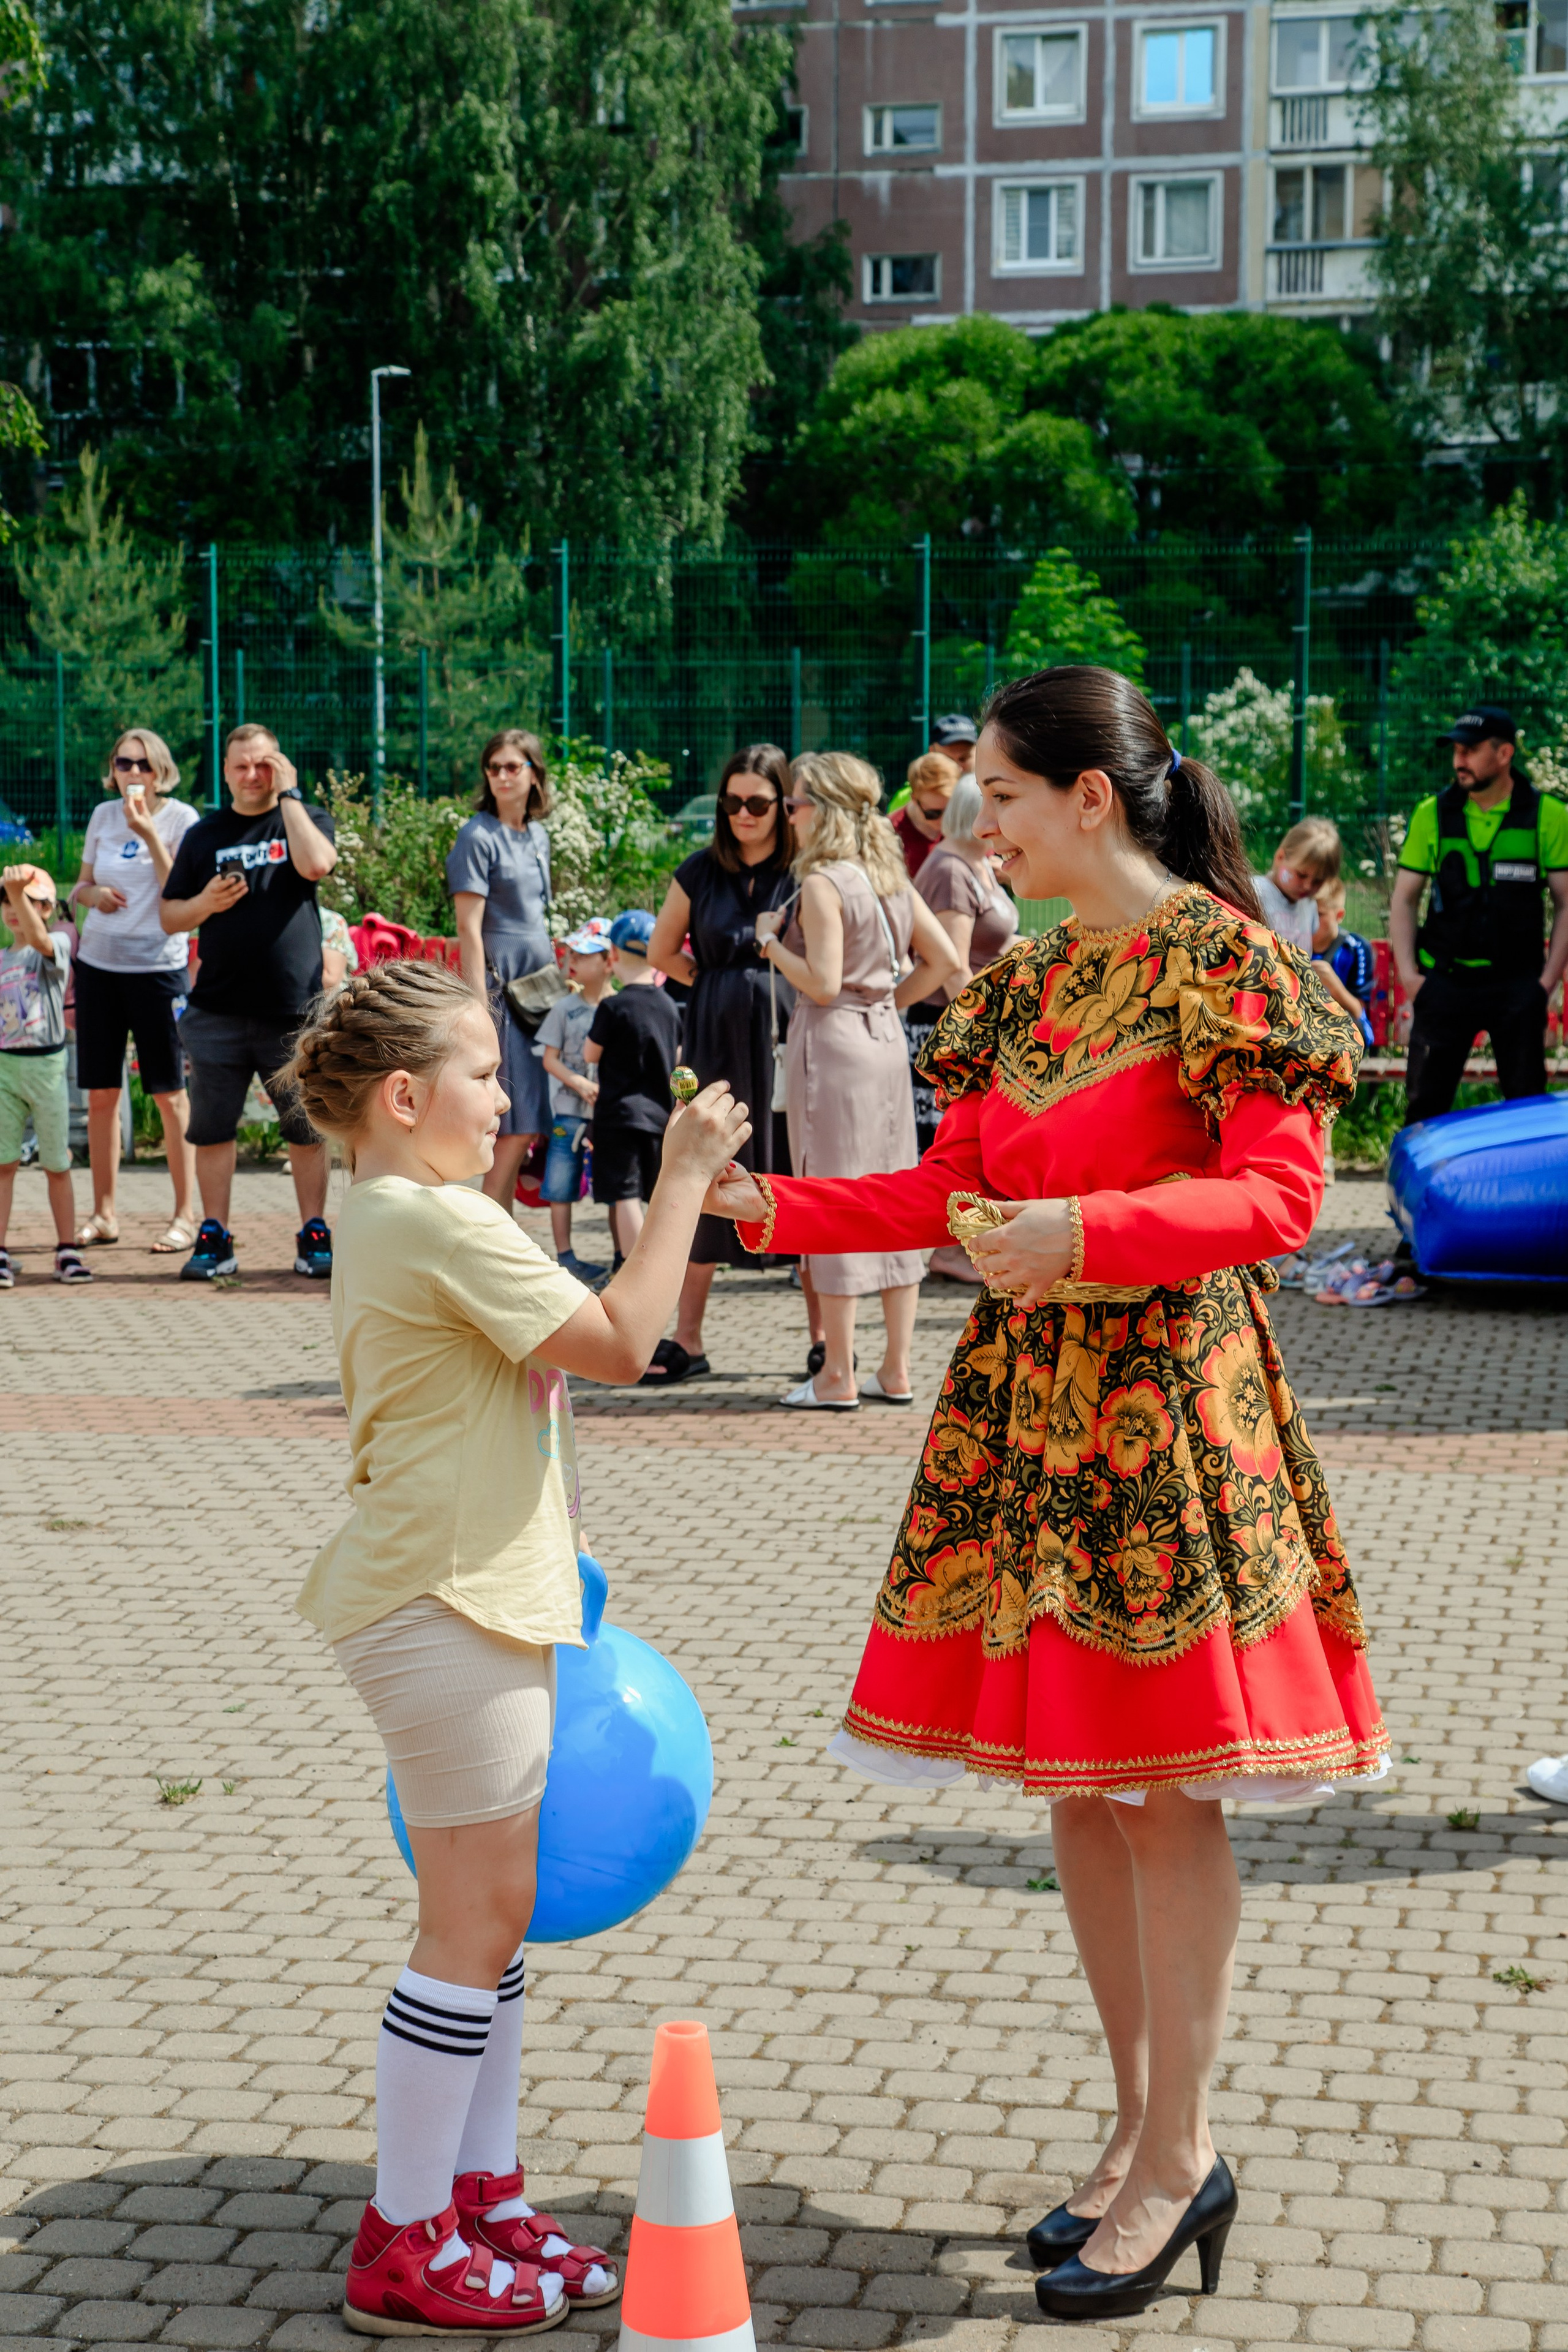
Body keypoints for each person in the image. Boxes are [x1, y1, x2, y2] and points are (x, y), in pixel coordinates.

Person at [708, 668, 1389, 2321]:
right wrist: (765, 1207)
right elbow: (953, 1189)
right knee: (1084, 1793)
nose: (969, 822)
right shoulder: (1034, 983)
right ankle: (1139, 2133)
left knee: (1169, 1796)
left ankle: (1181, 2153)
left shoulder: (1233, 966)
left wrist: (1087, 1238)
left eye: (1000, 794)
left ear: (1093, 797)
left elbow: (1283, 1201)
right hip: (1034, 1416)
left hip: (1165, 1421)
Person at [280, 959, 748, 2340]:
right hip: (447, 1605)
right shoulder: (430, 1219)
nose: (507, 1095)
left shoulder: (393, 1213)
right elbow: (622, 1341)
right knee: (467, 1926)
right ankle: (407, 2240)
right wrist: (676, 1183)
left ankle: (477, 2201)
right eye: (484, 1075)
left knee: (488, 1923)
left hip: (468, 1595)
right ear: (406, 1096)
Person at [755, 752, 959, 1409]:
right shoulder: (890, 876)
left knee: (831, 1196)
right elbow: (945, 960)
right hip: (882, 1043)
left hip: (834, 1042)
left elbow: (820, 981)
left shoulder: (822, 883)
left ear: (823, 808)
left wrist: (771, 945)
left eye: (794, 803)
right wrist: (890, 1004)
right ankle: (895, 1370)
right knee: (893, 1194)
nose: (789, 814)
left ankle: (837, 1374)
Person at [159, 722, 337, 1282]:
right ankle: (214, 1234)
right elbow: (169, 916)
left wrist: (290, 798)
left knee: (306, 1128)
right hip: (218, 1009)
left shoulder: (301, 818)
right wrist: (206, 902)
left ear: (280, 766)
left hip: (292, 1008)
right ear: (227, 770)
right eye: (242, 765)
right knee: (213, 1127)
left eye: (264, 764)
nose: (253, 774)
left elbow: (317, 866)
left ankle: (314, 1233)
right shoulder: (205, 834)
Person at [647, 744, 796, 1378]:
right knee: (708, 1167)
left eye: (757, 802)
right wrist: (714, 983)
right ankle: (688, 1340)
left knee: (792, 1167)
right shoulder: (699, 870)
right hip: (713, 1035)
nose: (743, 813)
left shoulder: (805, 871)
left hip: (784, 1038)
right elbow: (662, 949)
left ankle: (824, 1345)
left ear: (782, 805)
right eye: (732, 802)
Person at [1389, 704, 1568, 1126]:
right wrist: (1412, 979)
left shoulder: (1549, 816)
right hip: (1445, 983)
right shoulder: (1430, 814)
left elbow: (1566, 903)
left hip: (1519, 985)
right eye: (1455, 750)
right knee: (1424, 1110)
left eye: (1470, 750)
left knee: (1527, 1110)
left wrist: (1547, 982)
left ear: (1504, 753)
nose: (1458, 760)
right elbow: (1403, 899)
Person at [70, 729, 202, 1253]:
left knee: (170, 1095)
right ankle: (103, 1214)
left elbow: (183, 893)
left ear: (160, 770)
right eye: (123, 763)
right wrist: (93, 893)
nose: (131, 773)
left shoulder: (180, 819)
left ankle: (185, 1215)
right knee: (101, 1093)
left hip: (158, 971)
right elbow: (79, 886)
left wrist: (148, 833)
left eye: (142, 764)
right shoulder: (102, 816)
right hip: (100, 967)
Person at [913, 774, 1020, 1276]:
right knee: (955, 1142)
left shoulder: (976, 862)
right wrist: (984, 1026)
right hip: (952, 1024)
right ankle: (945, 1248)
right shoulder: (951, 870)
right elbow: (954, 963)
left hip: (974, 1021)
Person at [447, 731, 556, 1210]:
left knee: (530, 1122)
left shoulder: (538, 835)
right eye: (494, 768)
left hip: (541, 992)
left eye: (513, 767)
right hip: (500, 991)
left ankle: (503, 1242)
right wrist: (479, 1010)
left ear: (534, 773)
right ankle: (493, 1241)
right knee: (511, 1125)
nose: (502, 777)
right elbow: (468, 931)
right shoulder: (476, 835)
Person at [0, 864, 91, 1287]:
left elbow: (37, 938)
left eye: (27, 900)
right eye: (7, 900)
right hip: (5, 1071)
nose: (14, 908)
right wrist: (18, 891)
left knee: (57, 1164)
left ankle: (66, 1249)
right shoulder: (1, 959)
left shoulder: (56, 942)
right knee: (4, 1164)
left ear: (49, 909)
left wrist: (15, 888)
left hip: (48, 1068)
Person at [582, 911, 682, 1295]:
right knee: (652, 1196)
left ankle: (638, 1273)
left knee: (624, 1195)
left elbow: (591, 1054)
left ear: (613, 955)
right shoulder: (669, 1005)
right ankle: (657, 1264)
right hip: (658, 1117)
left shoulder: (613, 1006)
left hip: (618, 1116)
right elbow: (677, 1057)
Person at [532, 919, 613, 1285]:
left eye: (585, 954)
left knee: (616, 1188)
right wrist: (578, 1082)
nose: (574, 960)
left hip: (610, 1114)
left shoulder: (619, 1006)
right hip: (568, 1110)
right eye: (573, 952)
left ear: (609, 960)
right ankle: (565, 1258)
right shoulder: (564, 1008)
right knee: (560, 1183)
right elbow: (550, 1059)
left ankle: (622, 1258)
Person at [1253, 817, 1341, 956]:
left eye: (1318, 881)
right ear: (1280, 857)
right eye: (1301, 875)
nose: (1308, 886)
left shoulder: (1309, 904)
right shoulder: (1255, 893)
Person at [1311, 878, 1375, 1050]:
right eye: (1306, 913)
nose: (1311, 921)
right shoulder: (1293, 943)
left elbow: (1359, 1013)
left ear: (1339, 916)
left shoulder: (1356, 948)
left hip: (1343, 1030)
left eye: (1319, 914)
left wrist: (1334, 985)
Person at [890, 749, 961, 881]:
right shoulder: (891, 833)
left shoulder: (965, 822)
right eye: (933, 814)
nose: (944, 820)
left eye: (951, 811)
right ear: (914, 799)